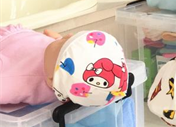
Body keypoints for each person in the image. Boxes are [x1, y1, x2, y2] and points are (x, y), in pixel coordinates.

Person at [0, 26, 128, 106]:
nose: (69, 35)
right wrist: (58, 40)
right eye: (69, 40)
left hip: (7, 44)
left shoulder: (16, 81)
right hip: (20, 36)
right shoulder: (58, 70)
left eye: (63, 44)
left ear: (51, 80)